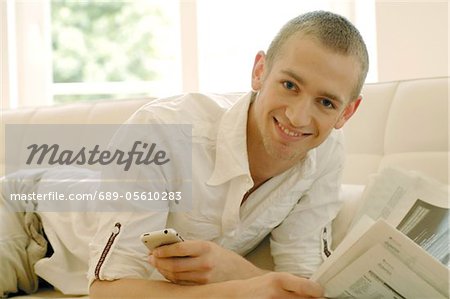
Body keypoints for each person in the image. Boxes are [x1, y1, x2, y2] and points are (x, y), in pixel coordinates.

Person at [0, 10, 368, 299]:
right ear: (259, 72)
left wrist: (236, 271)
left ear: (346, 113)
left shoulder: (324, 155)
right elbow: (107, 290)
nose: (298, 116)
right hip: (30, 220)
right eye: (289, 85)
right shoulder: (161, 131)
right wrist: (240, 288)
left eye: (325, 102)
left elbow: (301, 280)